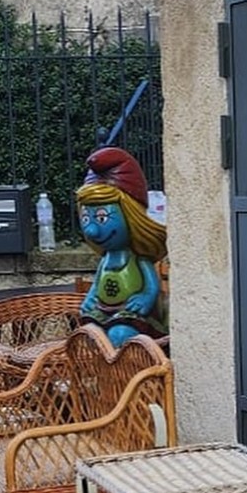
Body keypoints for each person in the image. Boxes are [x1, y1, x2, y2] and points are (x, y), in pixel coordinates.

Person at [75, 147, 168, 347]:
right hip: (103, 310)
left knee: (120, 335)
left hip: (130, 313)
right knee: (90, 334)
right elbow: (96, 285)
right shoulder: (106, 259)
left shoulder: (138, 259)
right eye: (86, 218)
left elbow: (152, 286)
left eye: (102, 218)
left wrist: (145, 298)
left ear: (131, 216)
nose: (91, 230)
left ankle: (124, 365)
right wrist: (90, 298)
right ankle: (103, 367)